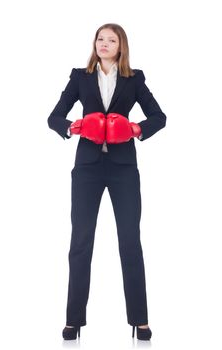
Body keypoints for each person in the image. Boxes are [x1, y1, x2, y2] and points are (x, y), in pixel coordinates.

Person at [47, 23, 166, 341]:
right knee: (81, 242)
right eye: (100, 38)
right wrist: (75, 126)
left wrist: (135, 129)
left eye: (111, 40)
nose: (104, 43)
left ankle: (140, 320)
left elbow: (158, 116)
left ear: (121, 46)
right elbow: (54, 117)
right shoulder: (80, 76)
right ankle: (73, 320)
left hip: (123, 167)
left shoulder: (133, 78)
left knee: (130, 241)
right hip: (87, 167)